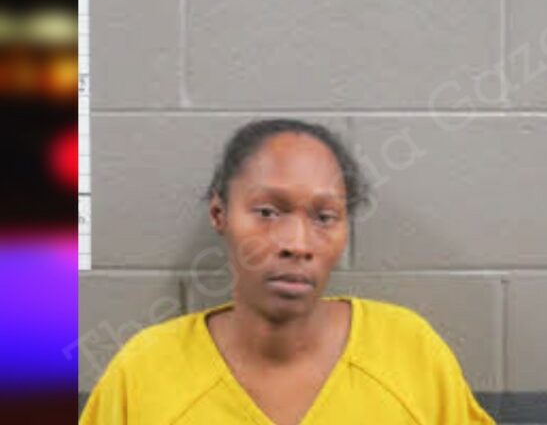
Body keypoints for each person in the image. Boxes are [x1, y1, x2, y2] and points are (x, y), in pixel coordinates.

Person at [80, 118, 495, 424]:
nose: (297, 243)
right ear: (220, 214)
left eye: (325, 217)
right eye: (267, 212)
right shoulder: (146, 371)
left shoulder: (408, 352)